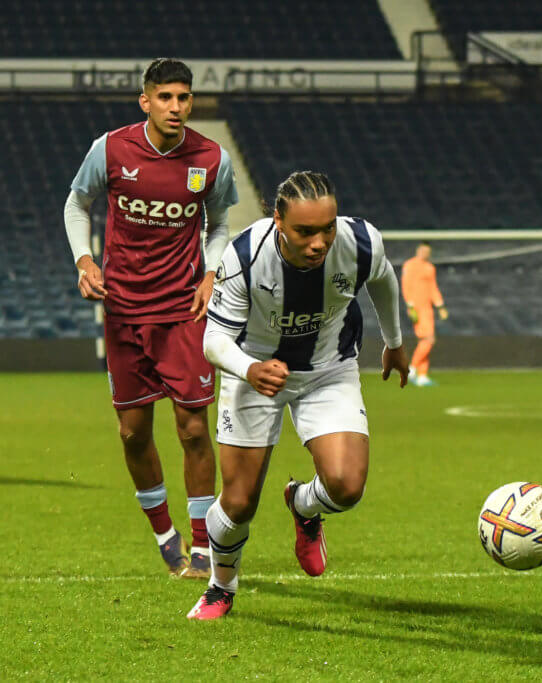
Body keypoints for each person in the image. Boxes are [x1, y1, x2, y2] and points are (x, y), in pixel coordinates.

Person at [187, 171, 408, 620]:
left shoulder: (360, 241)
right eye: (305, 231)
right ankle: (220, 586)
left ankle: (303, 505)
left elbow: (382, 279)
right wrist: (250, 368)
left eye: (326, 228)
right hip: (253, 373)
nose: (319, 242)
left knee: (346, 487)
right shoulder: (245, 256)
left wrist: (394, 341)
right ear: (278, 223)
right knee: (238, 503)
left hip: (328, 370)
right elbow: (213, 341)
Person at [64, 58, 238, 578]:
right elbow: (78, 204)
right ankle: (166, 534)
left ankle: (205, 545)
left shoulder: (211, 158)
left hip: (182, 311)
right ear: (146, 101)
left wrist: (211, 273)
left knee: (192, 429)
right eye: (165, 97)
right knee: (133, 433)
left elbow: (221, 220)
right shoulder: (112, 148)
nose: (176, 107)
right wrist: (84, 259)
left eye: (184, 98)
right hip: (123, 310)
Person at [401, 242, 448, 386]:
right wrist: (410, 305)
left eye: (427, 251)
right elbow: (405, 285)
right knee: (429, 339)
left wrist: (440, 306)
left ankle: (422, 375)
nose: (424, 253)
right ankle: (412, 369)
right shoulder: (410, 265)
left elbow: (433, 288)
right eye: (422, 250)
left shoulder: (430, 268)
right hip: (417, 308)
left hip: (428, 308)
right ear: (417, 251)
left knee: (424, 341)